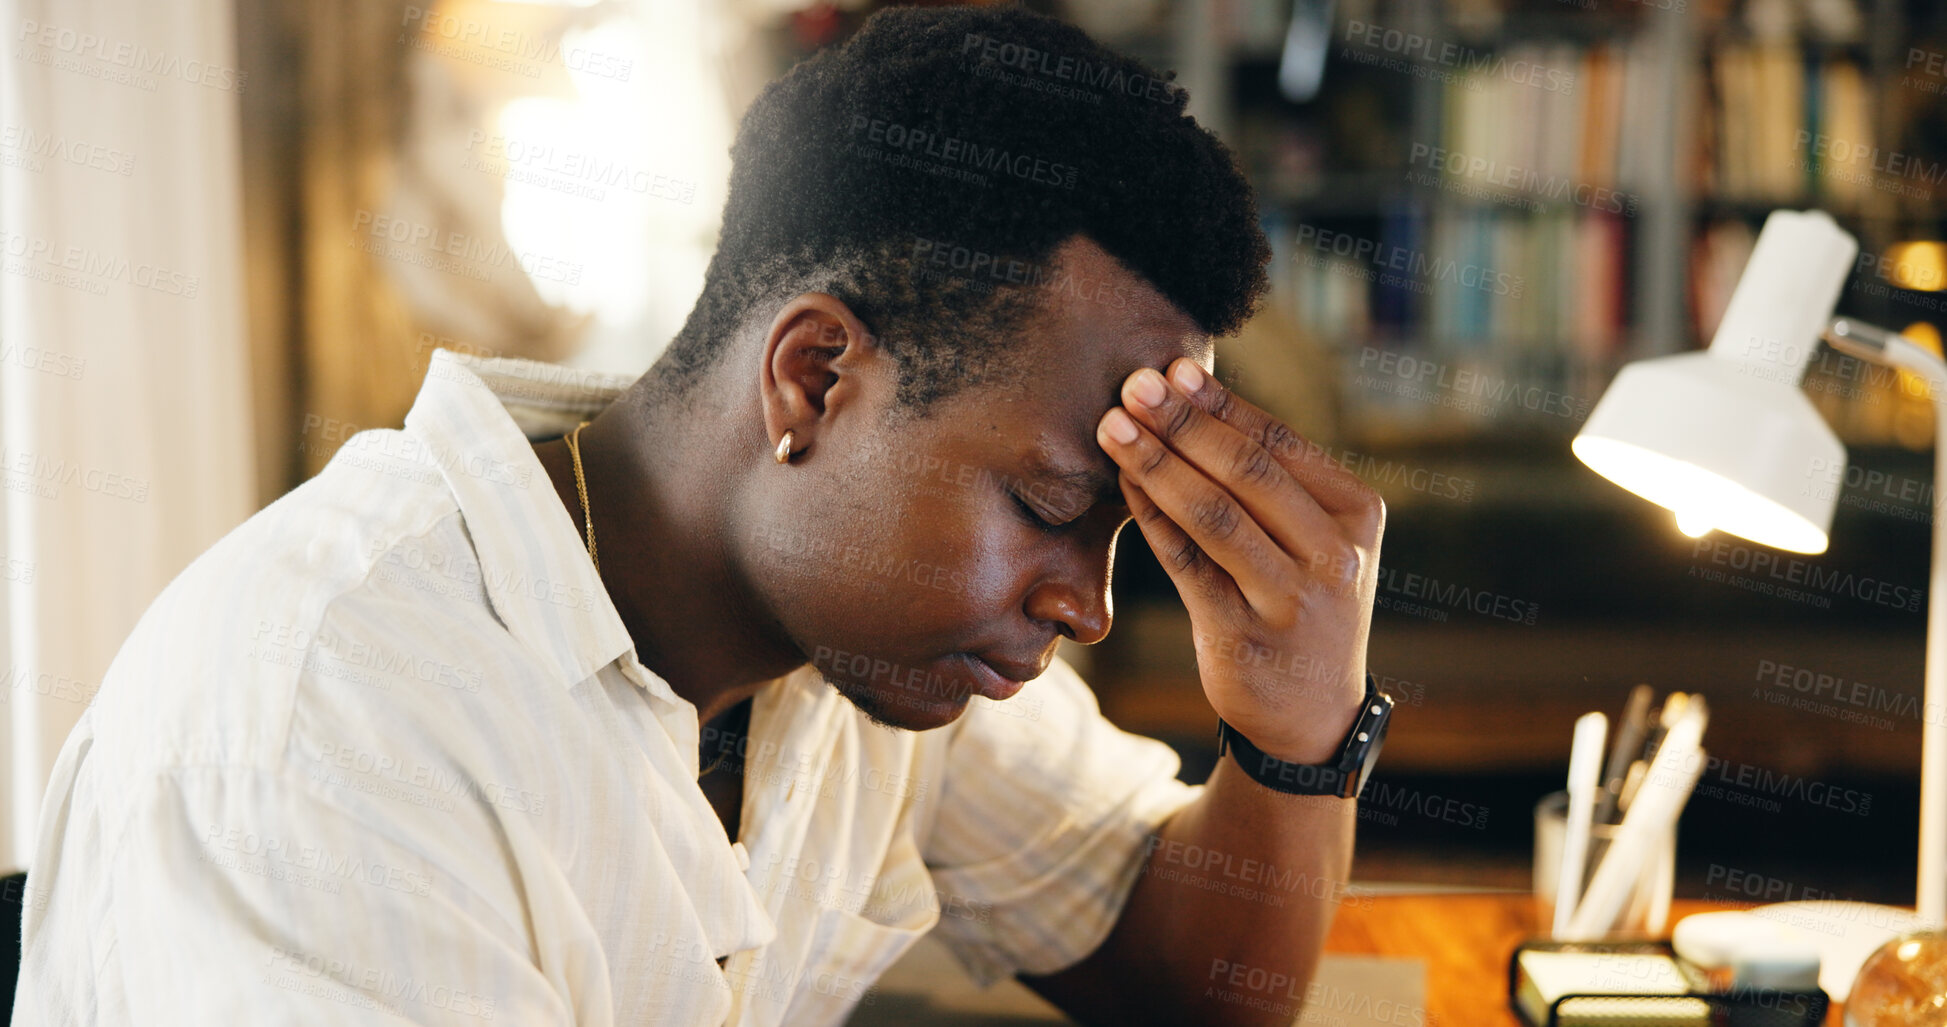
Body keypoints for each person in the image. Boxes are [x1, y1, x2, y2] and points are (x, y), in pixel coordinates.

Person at [12, 5, 1386, 1025]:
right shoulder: (328, 732)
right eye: (1046, 505)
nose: (1084, 603)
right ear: (815, 378)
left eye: (1121, 536)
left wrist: (1295, 731)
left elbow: (1196, 978)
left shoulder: (863, 648)